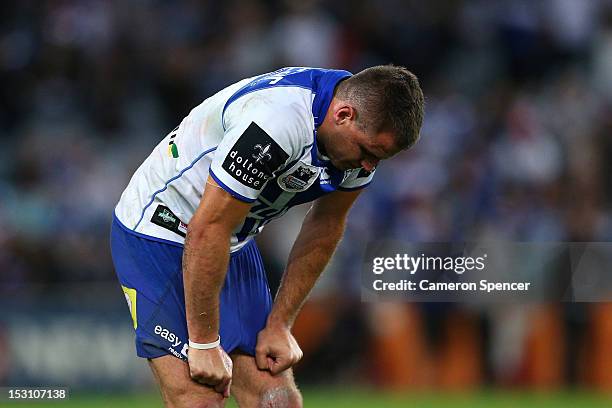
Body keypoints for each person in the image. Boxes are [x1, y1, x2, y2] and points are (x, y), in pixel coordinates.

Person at [110, 65, 424, 407]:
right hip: (160, 229)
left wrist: (280, 324)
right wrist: (203, 343)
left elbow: (326, 224)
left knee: (276, 401)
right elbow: (207, 227)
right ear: (343, 115)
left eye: (379, 159)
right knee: (199, 399)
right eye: (367, 152)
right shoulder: (275, 122)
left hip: (228, 238)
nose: (367, 167)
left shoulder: (355, 134)